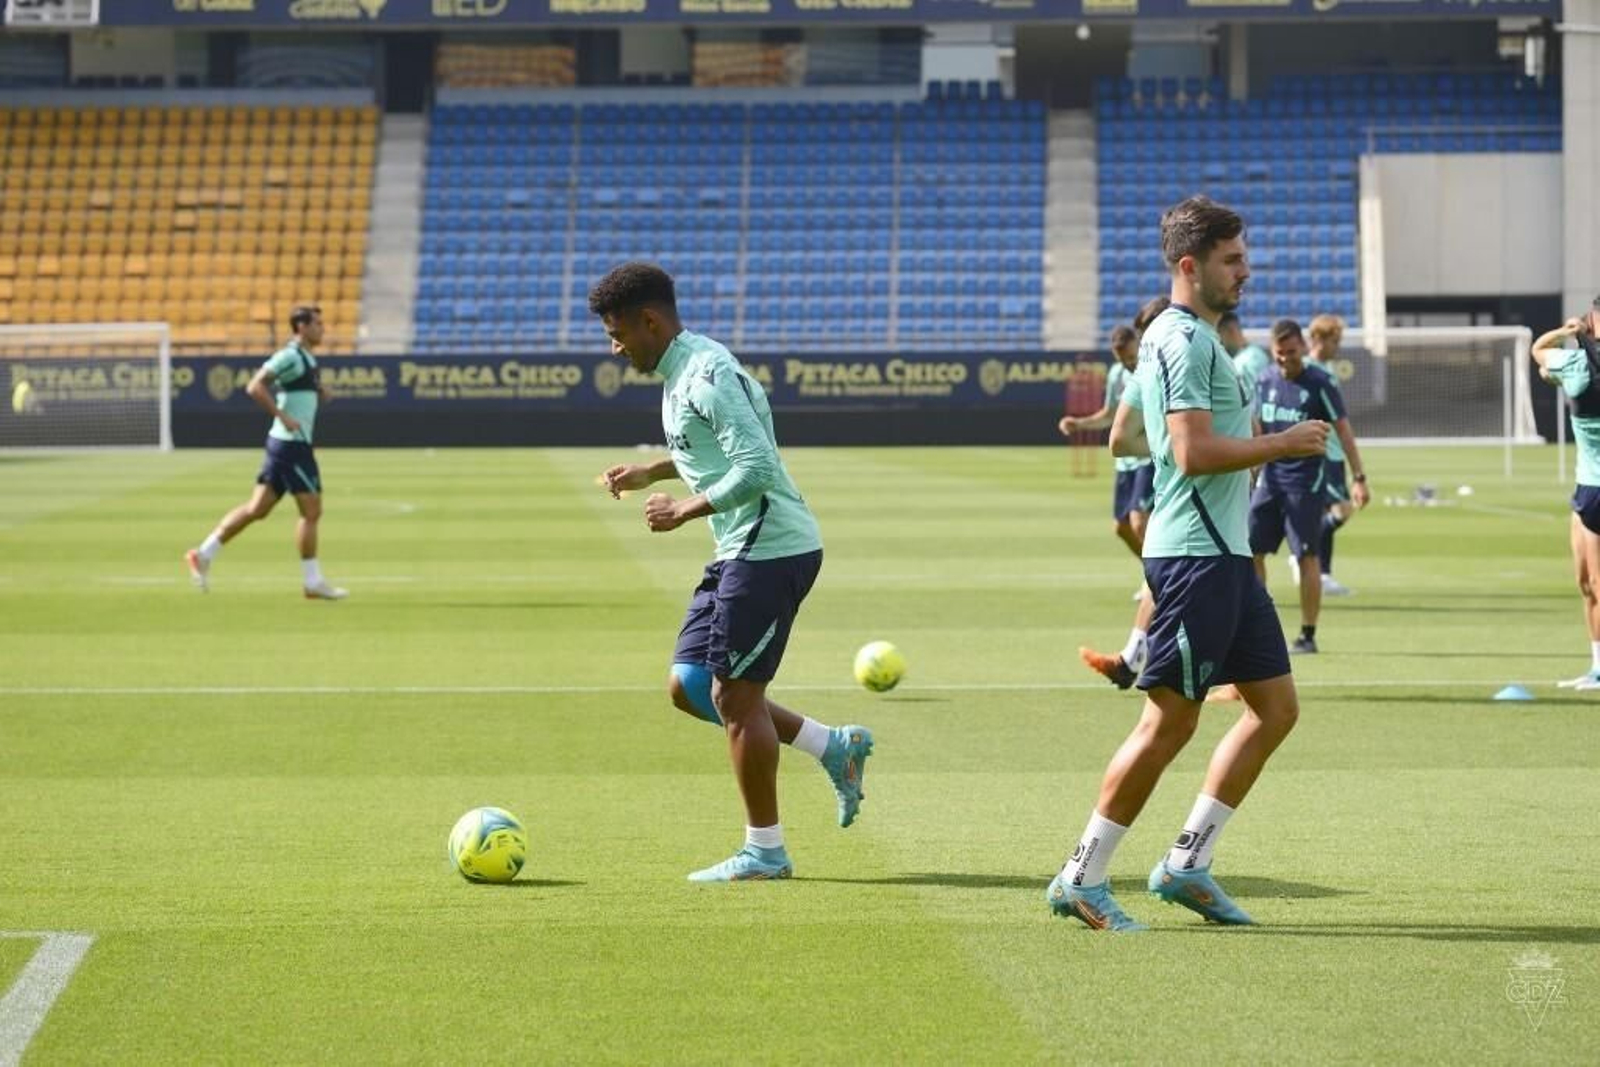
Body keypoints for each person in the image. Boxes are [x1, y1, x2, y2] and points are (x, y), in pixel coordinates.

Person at [1045, 197, 1328, 931]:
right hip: (1197, 558)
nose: (1246, 270)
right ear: (1189, 265)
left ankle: (1187, 863)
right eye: (1232, 259)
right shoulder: (1183, 341)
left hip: (1226, 558)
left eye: (1244, 256)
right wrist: (1281, 443)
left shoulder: (1194, 340)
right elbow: (1190, 451)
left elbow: (1136, 440)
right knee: (1168, 722)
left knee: (1276, 709)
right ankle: (1082, 875)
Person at [589, 262, 873, 882]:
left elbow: (759, 467)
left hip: (771, 548)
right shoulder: (680, 371)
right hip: (739, 550)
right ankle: (834, 746)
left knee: (734, 697)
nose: (615, 347)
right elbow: (706, 450)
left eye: (617, 333)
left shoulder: (708, 372)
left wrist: (685, 509)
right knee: (690, 684)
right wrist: (652, 473)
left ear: (650, 320)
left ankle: (766, 851)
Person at [185, 305, 346, 600]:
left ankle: (203, 554)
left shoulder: (306, 358)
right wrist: (282, 416)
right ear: (301, 327)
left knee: (257, 509)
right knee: (312, 511)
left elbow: (294, 384)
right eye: (317, 324)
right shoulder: (290, 355)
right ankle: (312, 582)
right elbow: (255, 386)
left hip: (285, 443)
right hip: (291, 445)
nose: (323, 328)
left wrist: (318, 391)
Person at [1248, 319, 1369, 654]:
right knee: (1250, 550)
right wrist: (1251, 467)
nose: (1286, 358)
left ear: (1302, 346)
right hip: (1270, 480)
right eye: (1279, 353)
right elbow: (1257, 427)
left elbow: (1343, 430)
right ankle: (1259, 625)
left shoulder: (1319, 382)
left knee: (1306, 556)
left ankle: (1307, 633)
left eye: (1291, 351)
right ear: (1272, 352)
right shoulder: (1263, 380)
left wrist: (1358, 477)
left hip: (1305, 482)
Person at [1530, 298, 1600, 689]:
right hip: (1586, 489)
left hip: (1595, 489)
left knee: (1595, 584)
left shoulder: (1575, 365)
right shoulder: (1575, 368)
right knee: (1586, 583)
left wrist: (1567, 332)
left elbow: (1539, 351)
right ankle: (1596, 667)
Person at [1058, 325, 1153, 561]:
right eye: (1123, 360)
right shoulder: (1116, 375)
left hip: (1148, 455)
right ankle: (1155, 575)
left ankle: (1160, 582)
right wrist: (1079, 424)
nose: (1129, 363)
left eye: (1132, 357)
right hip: (1126, 462)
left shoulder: (1152, 370)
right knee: (1121, 528)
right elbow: (1110, 414)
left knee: (1139, 521)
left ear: (1139, 346)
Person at [1307, 315, 1357, 596]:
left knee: (1326, 513)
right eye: (1334, 341)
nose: (1338, 346)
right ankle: (1304, 549)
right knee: (1342, 511)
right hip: (1325, 453)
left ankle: (1323, 574)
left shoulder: (1325, 369)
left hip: (1333, 452)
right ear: (1319, 339)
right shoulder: (1310, 371)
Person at [1219, 310, 1271, 410]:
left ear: (1231, 331)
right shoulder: (1244, 357)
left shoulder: (1248, 361)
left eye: (1218, 334)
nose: (1217, 341)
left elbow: (1250, 405)